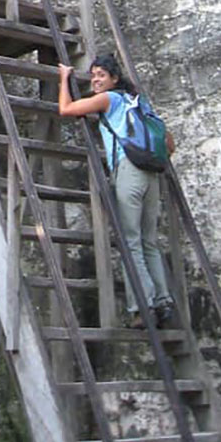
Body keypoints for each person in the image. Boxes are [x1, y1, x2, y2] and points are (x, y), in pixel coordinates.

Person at [57, 52, 175, 329]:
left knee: (130, 242)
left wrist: (64, 79)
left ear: (114, 78)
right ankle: (163, 301)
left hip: (128, 171)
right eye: (93, 75)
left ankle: (142, 307)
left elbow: (66, 109)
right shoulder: (140, 102)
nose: (96, 79)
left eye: (101, 75)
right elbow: (169, 144)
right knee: (149, 242)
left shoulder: (109, 99)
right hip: (151, 175)